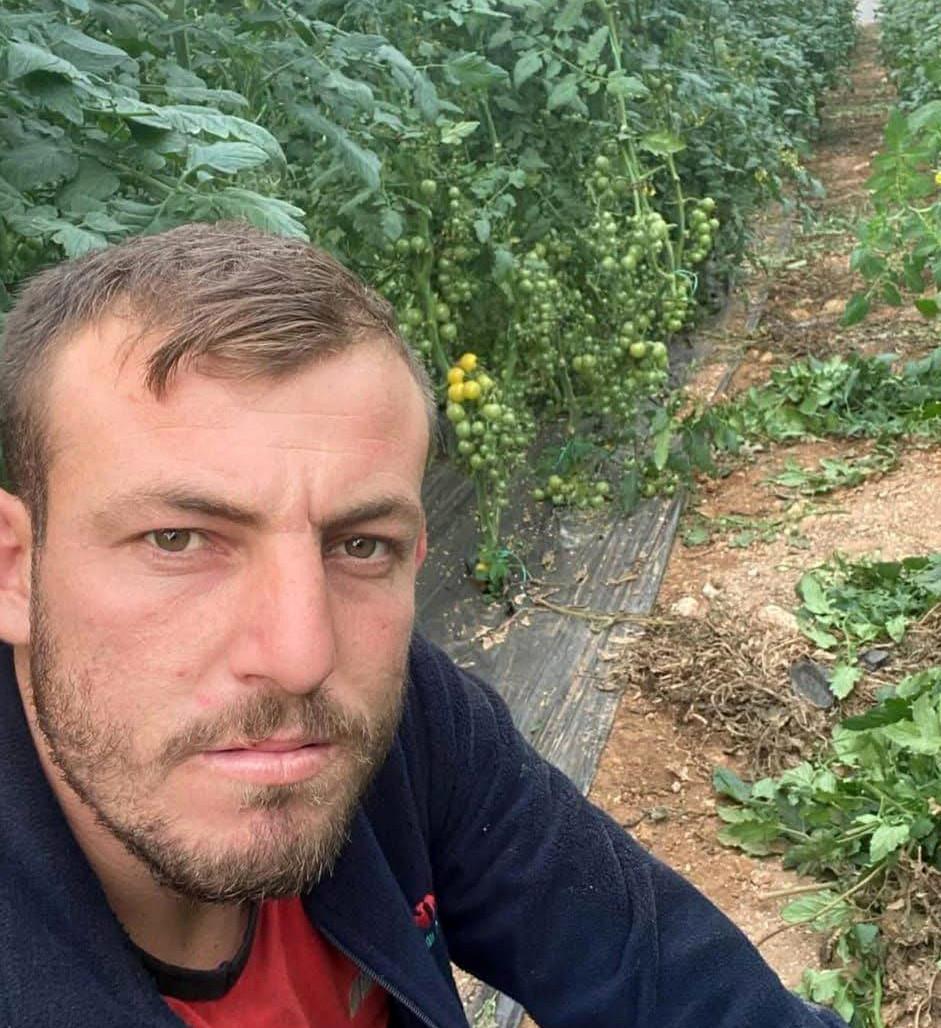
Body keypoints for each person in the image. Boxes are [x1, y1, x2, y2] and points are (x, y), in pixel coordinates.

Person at [0, 223, 847, 1028]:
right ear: (13, 569)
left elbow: (673, 982)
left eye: (360, 545)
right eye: (177, 540)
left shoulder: (409, 722)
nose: (301, 657)